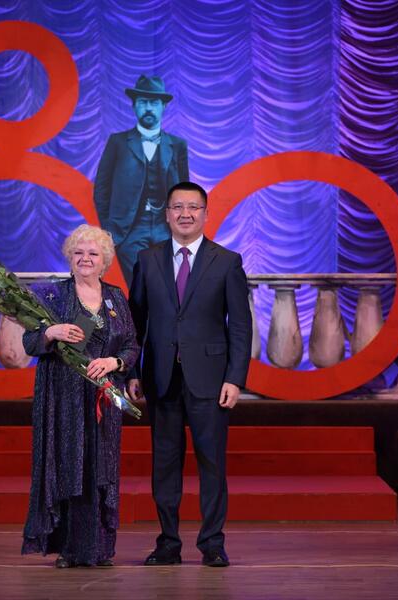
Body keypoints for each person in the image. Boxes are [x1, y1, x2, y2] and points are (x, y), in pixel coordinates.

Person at [127, 181, 252, 568]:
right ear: (167, 214)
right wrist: (132, 371)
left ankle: (212, 543)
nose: (185, 214)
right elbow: (135, 323)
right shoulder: (147, 260)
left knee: (212, 463)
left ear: (206, 214)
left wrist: (235, 378)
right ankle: (168, 542)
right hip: (160, 378)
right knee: (164, 464)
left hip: (211, 381)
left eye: (193, 207)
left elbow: (240, 326)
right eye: (178, 207)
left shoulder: (227, 261)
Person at [21, 224, 139, 568]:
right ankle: (70, 549)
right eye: (79, 252)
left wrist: (115, 362)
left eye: (93, 253)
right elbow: (29, 342)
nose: (85, 259)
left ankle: (100, 549)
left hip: (104, 396)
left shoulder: (116, 297)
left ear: (105, 261)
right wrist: (50, 332)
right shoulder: (53, 295)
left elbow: (131, 345)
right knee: (68, 466)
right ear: (69, 257)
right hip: (63, 396)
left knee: (101, 468)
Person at [94, 74, 189, 285]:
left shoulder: (177, 145)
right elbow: (101, 190)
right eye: (142, 102)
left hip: (167, 228)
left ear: (163, 106)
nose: (148, 108)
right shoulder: (118, 142)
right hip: (129, 230)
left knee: (167, 286)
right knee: (140, 284)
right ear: (134, 106)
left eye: (154, 103)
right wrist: (110, 228)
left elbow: (185, 191)